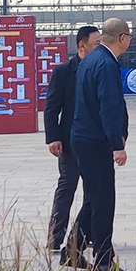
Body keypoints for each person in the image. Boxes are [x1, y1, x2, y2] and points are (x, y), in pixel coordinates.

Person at [64, 17, 132, 271]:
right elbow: (109, 107)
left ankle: (72, 250)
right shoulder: (105, 64)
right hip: (95, 141)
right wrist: (117, 144)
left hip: (83, 137)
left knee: (94, 198)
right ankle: (104, 261)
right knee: (103, 202)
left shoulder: (91, 59)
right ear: (123, 38)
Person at [45, 26, 101, 251]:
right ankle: (55, 236)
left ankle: (86, 236)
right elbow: (51, 108)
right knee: (67, 187)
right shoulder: (63, 72)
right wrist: (53, 138)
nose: (100, 47)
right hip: (69, 142)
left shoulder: (101, 69)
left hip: (96, 141)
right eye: (96, 43)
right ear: (82, 45)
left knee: (94, 191)